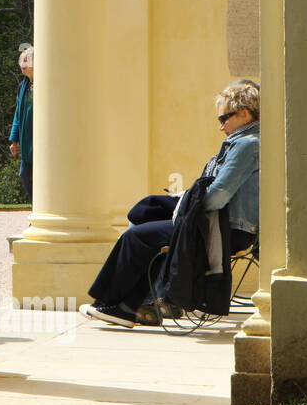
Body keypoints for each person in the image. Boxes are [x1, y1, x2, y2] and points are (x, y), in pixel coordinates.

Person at [80, 80, 260, 327]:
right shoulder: (244, 142)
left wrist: (185, 205)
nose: (220, 127)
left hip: (227, 230)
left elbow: (219, 195)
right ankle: (128, 305)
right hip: (218, 225)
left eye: (223, 119)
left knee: (137, 238)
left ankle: (114, 303)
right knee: (147, 218)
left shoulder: (247, 145)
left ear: (244, 113)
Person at [8, 46, 34, 199]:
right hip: (26, 140)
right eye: (21, 60)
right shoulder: (22, 87)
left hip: (41, 140)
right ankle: (36, 208)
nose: (22, 64)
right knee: (25, 175)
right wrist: (14, 140)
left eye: (26, 60)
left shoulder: (46, 84)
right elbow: (18, 114)